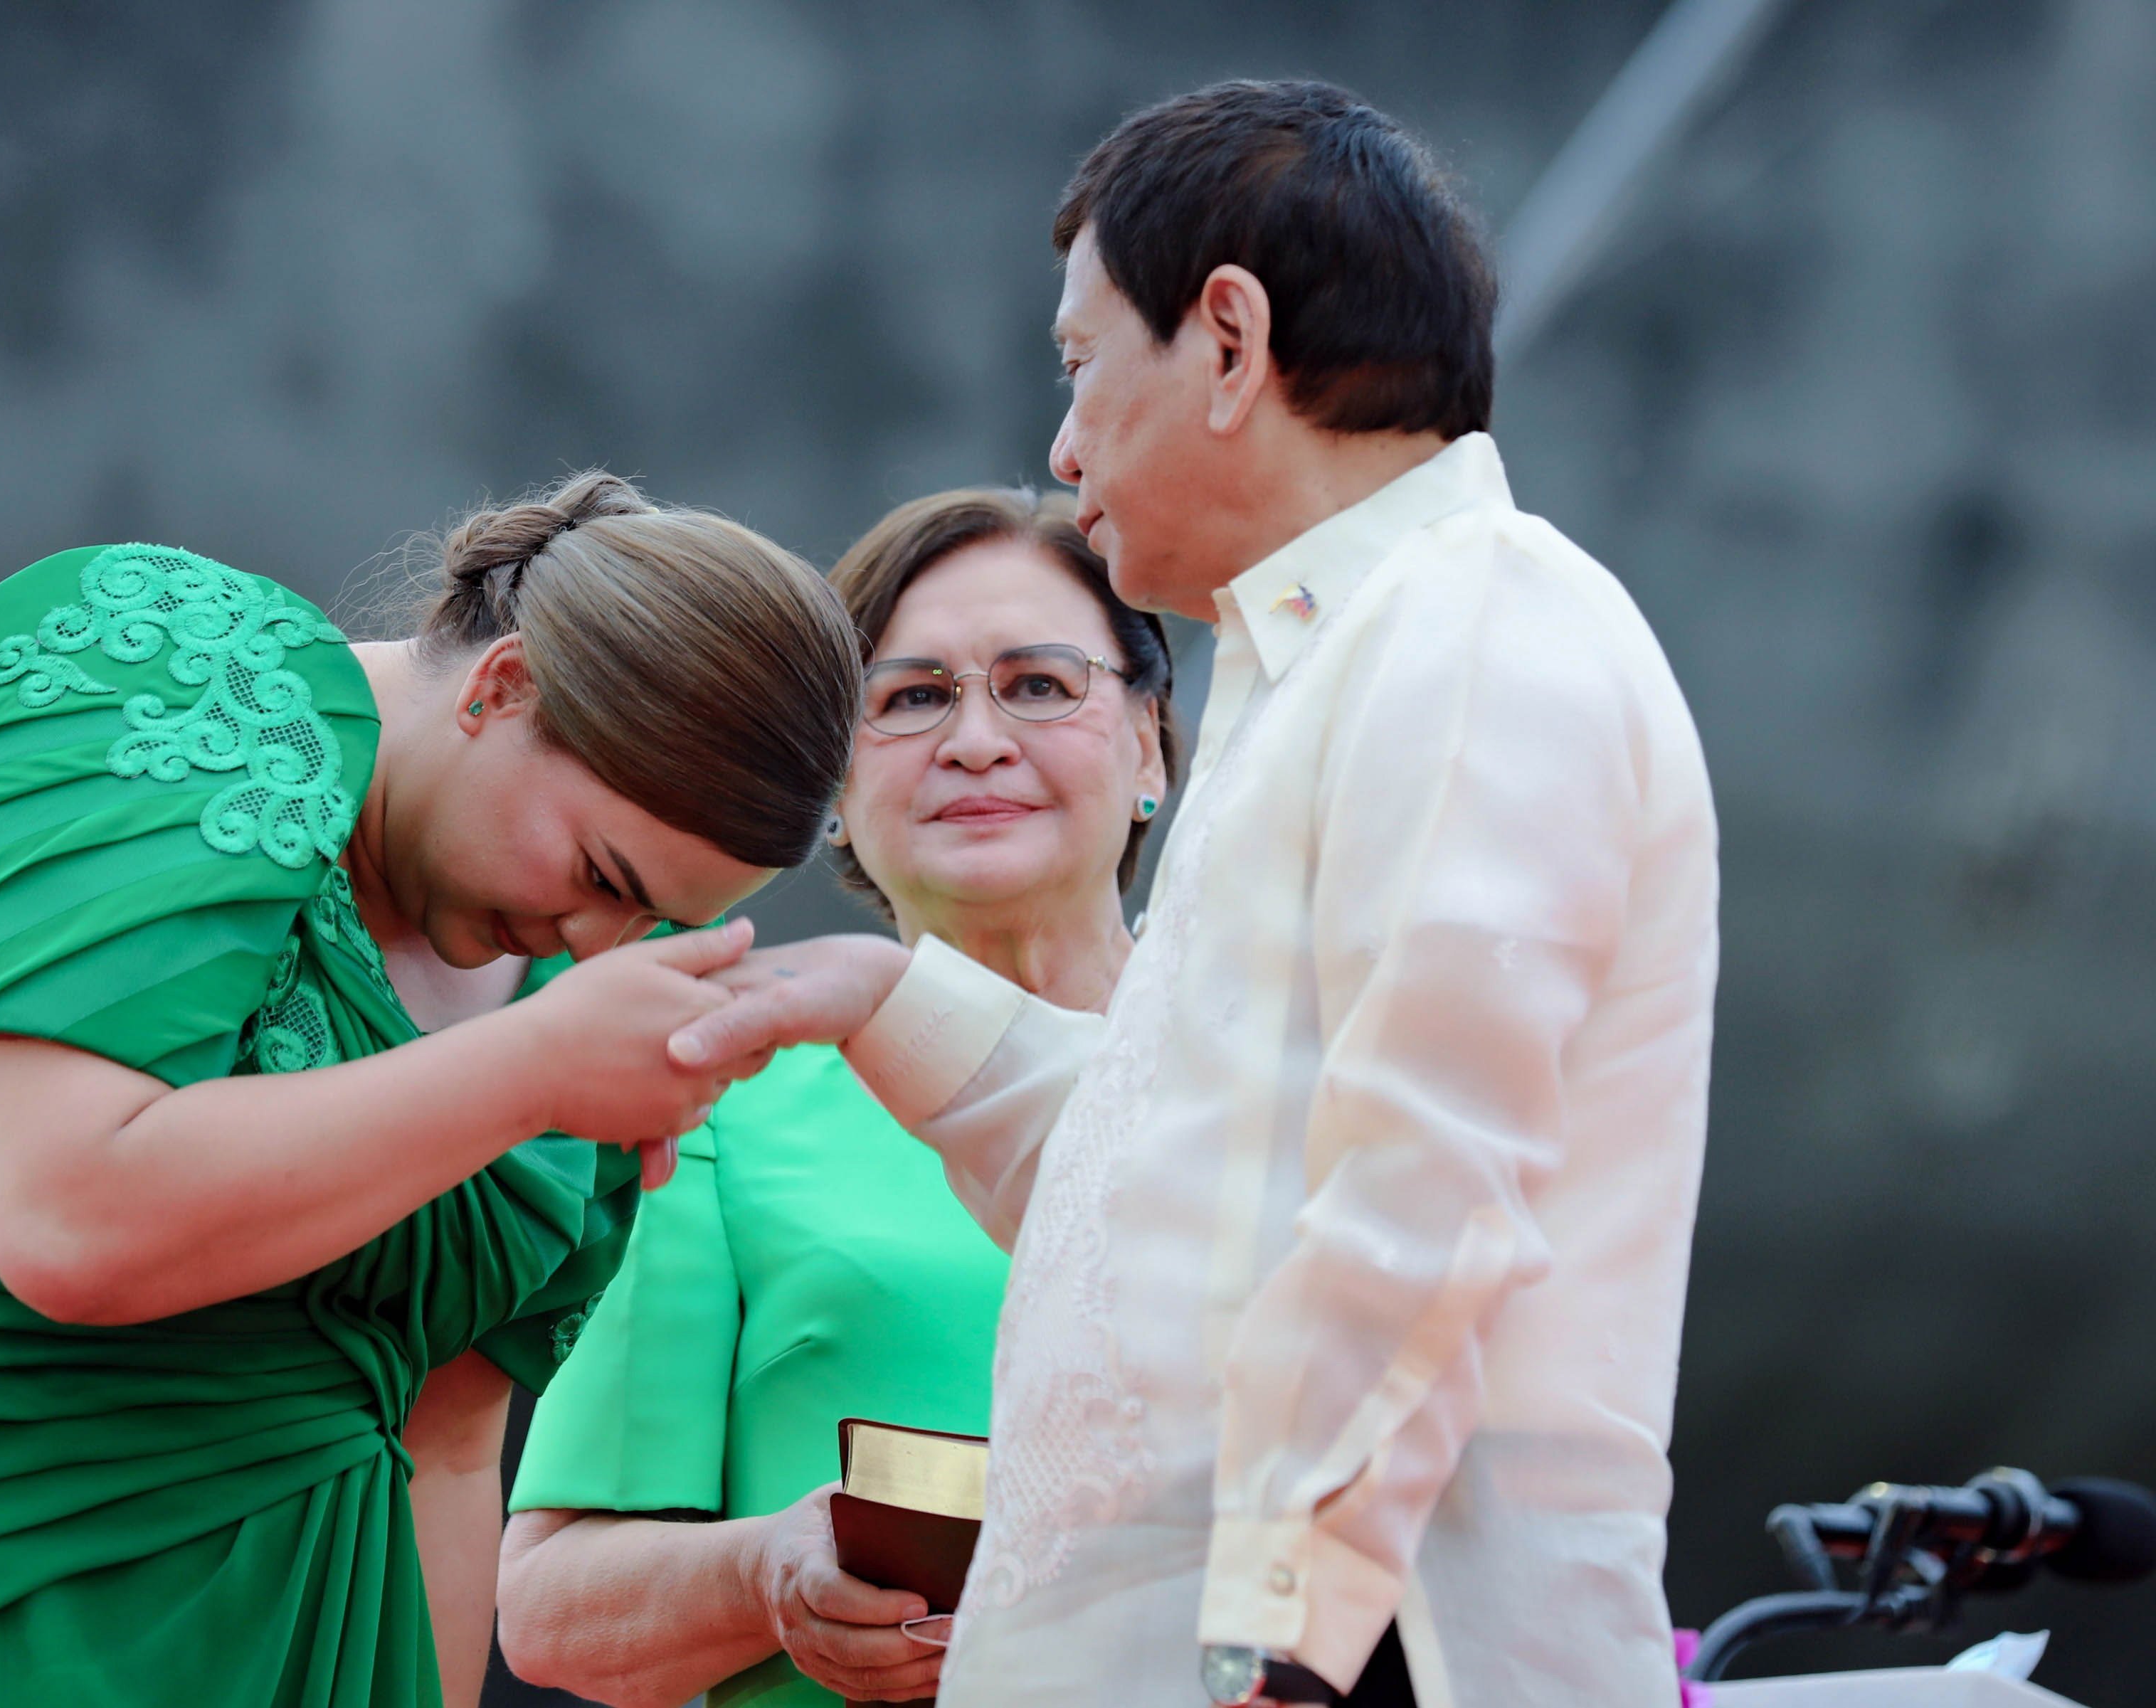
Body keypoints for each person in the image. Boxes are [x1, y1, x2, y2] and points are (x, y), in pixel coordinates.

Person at [669, 81, 1721, 1708]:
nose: (1062, 441)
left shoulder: (1478, 626)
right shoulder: (1319, 667)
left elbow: (1429, 1181)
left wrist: (1280, 1645)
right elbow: (1163, 1206)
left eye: (1084, 361)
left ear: (1227, 340)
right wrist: (878, 998)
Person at [0, 472, 862, 1708]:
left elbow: (446, 1456)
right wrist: (534, 1068)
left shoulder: (573, 1000)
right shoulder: (183, 675)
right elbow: (72, 1220)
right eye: (604, 872)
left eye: (662, 919)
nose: (604, 938)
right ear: (507, 688)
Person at [494, 487, 1182, 1708]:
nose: (976, 739)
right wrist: (767, 1570)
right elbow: (549, 1607)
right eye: (912, 698)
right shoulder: (718, 1107)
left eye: (1038, 684)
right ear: (838, 794)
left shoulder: (1278, 1072)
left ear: (1153, 747)